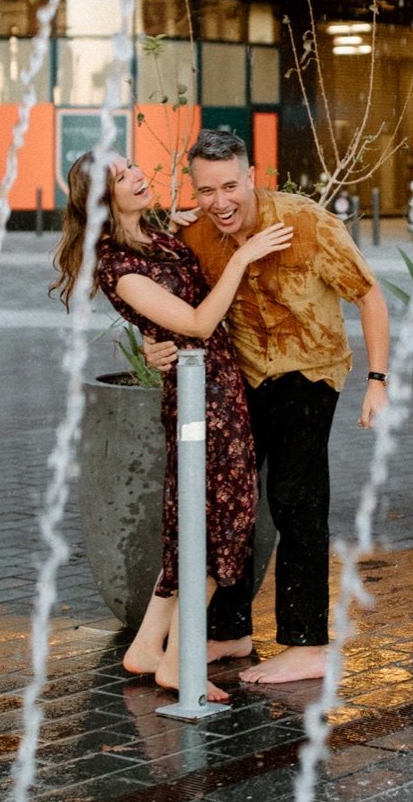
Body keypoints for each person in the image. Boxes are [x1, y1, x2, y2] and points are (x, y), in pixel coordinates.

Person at [146, 129, 390, 684]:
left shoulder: (305, 222)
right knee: (232, 502)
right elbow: (171, 306)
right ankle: (229, 632)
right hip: (242, 376)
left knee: (295, 497)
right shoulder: (197, 235)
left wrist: (378, 379)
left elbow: (368, 293)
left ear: (251, 175)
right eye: (206, 191)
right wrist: (152, 343)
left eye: (230, 185)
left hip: (310, 372)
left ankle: (308, 646)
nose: (220, 201)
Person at [52, 154, 292, 701]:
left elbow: (172, 300)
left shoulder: (152, 238)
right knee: (218, 524)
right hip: (200, 399)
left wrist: (180, 225)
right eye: (121, 177)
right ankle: (180, 662)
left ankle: (146, 648)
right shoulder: (118, 265)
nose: (137, 175)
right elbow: (198, 322)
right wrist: (244, 257)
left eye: (132, 165)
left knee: (197, 521)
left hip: (215, 386)